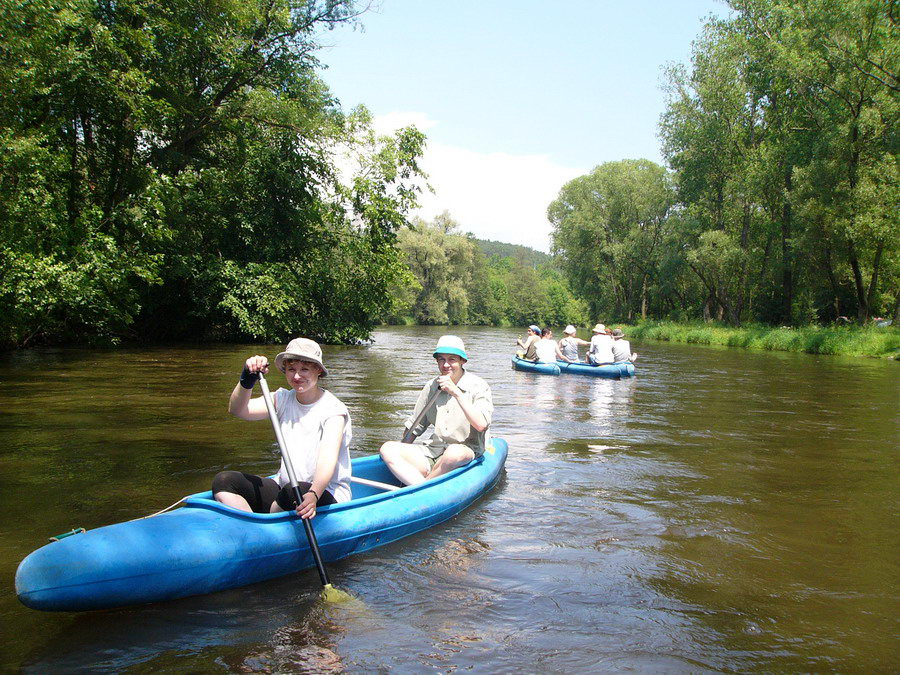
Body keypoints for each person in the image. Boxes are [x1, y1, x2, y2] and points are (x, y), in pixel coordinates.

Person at [211, 337, 352, 520]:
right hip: (284, 490)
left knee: (296, 491)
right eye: (291, 369)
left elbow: (327, 462)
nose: (296, 376)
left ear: (318, 370)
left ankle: (265, 526)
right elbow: (238, 410)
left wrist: (313, 494)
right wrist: (247, 380)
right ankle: (254, 527)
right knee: (224, 481)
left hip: (323, 493)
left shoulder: (333, 410)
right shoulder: (282, 399)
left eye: (304, 369)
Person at [380, 335, 493, 486]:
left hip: (465, 451)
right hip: (433, 450)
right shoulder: (432, 386)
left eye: (452, 359)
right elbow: (415, 427)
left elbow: (481, 425)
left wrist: (456, 392)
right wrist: (402, 452)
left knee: (453, 454)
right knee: (388, 448)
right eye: (441, 359)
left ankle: (422, 488)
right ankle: (422, 485)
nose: (446, 365)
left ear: (462, 361)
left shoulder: (479, 386)